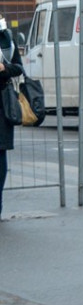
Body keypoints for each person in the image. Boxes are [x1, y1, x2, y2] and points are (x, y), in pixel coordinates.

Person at [0, 15, 23, 220]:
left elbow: (19, 67)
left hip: (2, 104)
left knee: (0, 155)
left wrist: (4, 68)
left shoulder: (7, 39)